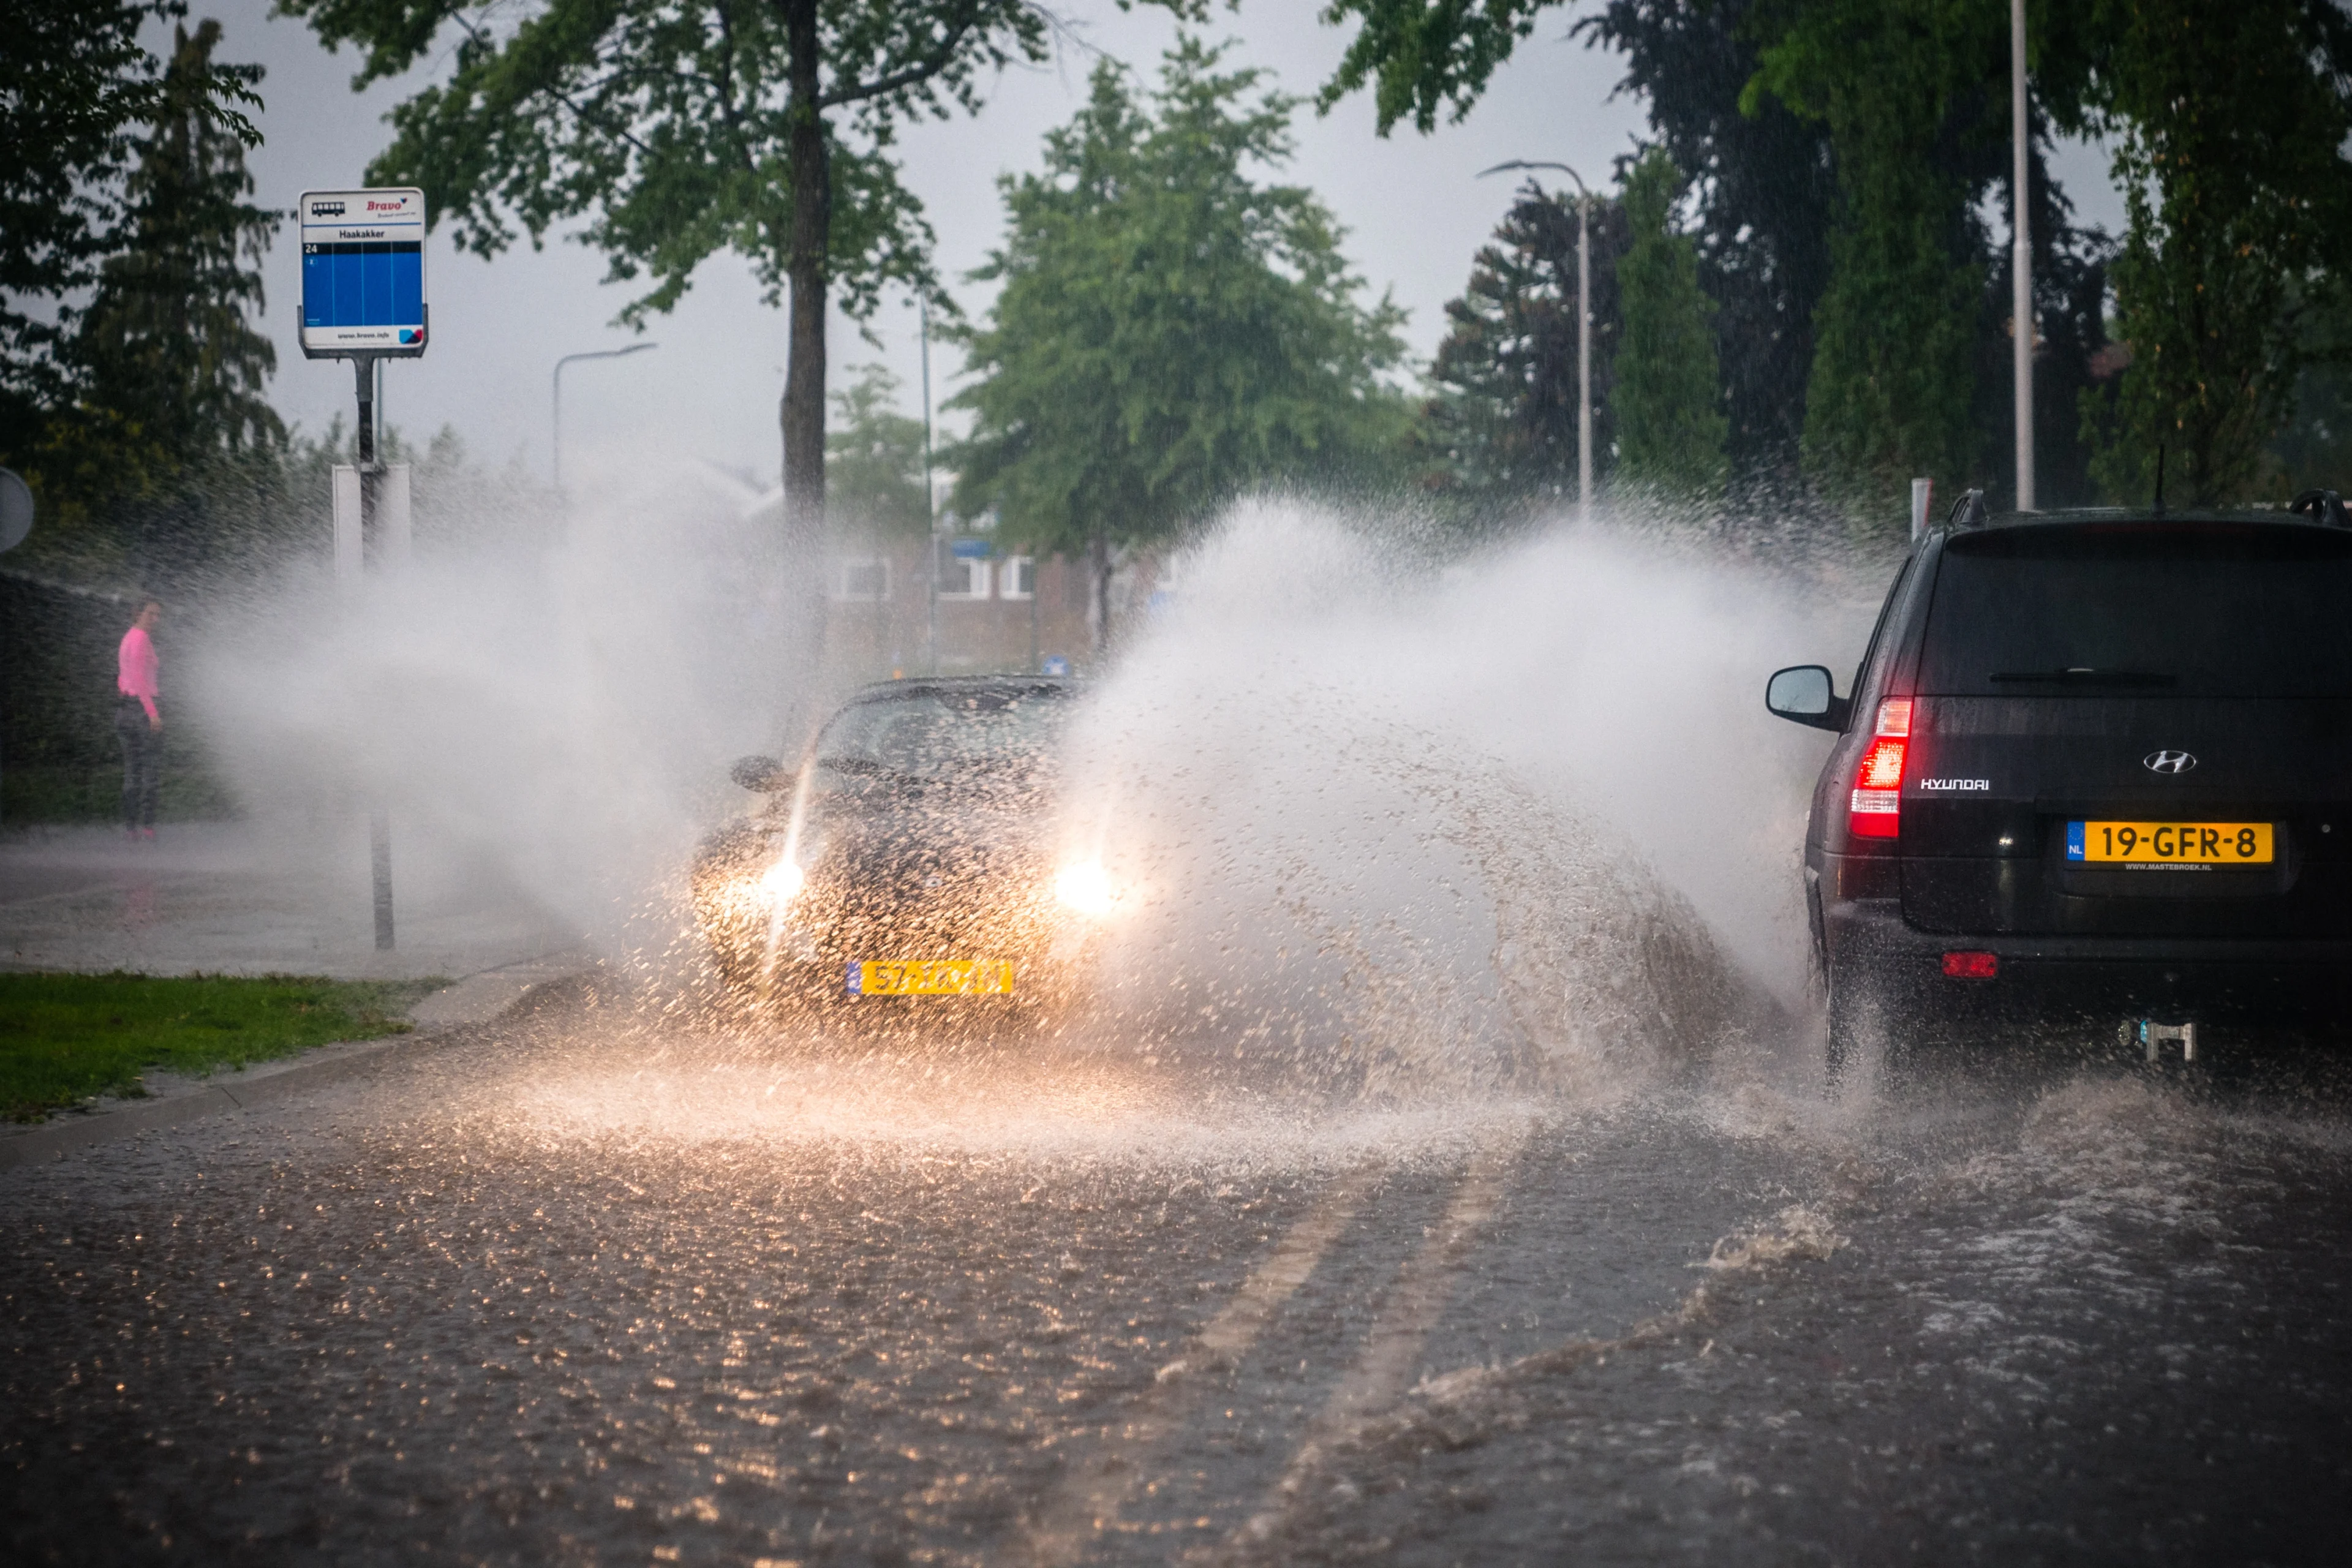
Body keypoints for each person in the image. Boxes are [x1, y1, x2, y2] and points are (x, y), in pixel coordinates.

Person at [115, 598, 163, 839]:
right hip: (142, 710)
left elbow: (123, 677)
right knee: (150, 771)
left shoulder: (127, 638)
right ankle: (148, 827)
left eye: (157, 615)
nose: (155, 620)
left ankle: (131, 828)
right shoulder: (142, 639)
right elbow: (140, 679)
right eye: (150, 614)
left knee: (132, 771)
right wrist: (152, 713)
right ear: (137, 612)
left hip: (125, 711)